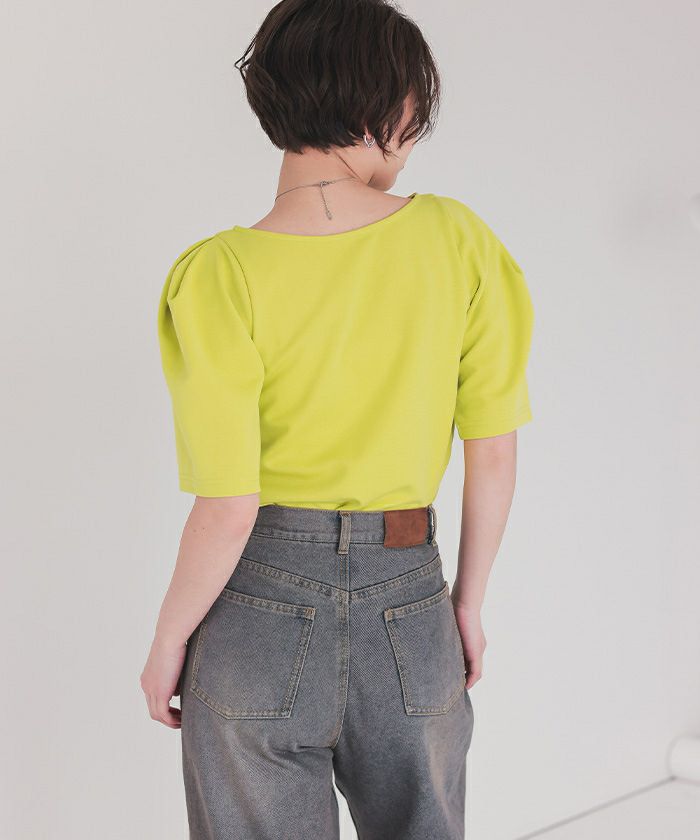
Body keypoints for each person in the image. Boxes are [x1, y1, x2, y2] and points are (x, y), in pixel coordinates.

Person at [140, 0, 534, 837]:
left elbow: (228, 505)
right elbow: (493, 455)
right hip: (409, 596)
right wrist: (464, 606)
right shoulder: (459, 240)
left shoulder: (216, 274)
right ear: (385, 105)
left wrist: (170, 639)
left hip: (254, 605)